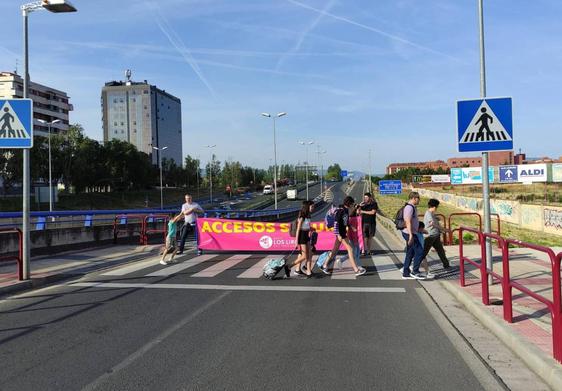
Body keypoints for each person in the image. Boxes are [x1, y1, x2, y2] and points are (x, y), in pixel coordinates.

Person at [321, 196, 366, 276]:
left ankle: (324, 265)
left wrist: (351, 226)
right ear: (349, 204)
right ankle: (356, 270)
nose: (352, 205)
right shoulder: (341, 211)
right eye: (352, 204)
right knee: (350, 249)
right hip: (341, 234)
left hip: (341, 233)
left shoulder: (345, 210)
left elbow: (344, 221)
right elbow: (336, 223)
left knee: (334, 251)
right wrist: (339, 234)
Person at [401, 191, 424, 279]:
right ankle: (415, 271)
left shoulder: (412, 207)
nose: (419, 201)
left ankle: (406, 273)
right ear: (414, 198)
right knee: (420, 251)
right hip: (409, 233)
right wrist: (411, 235)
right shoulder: (409, 207)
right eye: (418, 199)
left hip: (410, 233)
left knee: (410, 253)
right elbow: (407, 221)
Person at [422, 198, 451, 269]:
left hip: (435, 236)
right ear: (434, 207)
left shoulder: (431, 213)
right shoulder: (428, 214)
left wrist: (437, 219)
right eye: (437, 207)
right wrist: (443, 229)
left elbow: (434, 222)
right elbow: (433, 224)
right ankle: (413, 266)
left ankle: (446, 265)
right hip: (430, 236)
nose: (437, 208)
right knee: (424, 253)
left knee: (441, 251)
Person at [290, 201, 315, 277]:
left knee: (309, 253)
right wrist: (296, 241)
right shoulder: (302, 217)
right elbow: (298, 229)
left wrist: (311, 228)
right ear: (307, 207)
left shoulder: (308, 216)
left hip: (306, 235)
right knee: (304, 256)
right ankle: (289, 266)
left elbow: (306, 227)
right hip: (302, 237)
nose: (313, 208)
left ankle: (307, 270)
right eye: (312, 206)